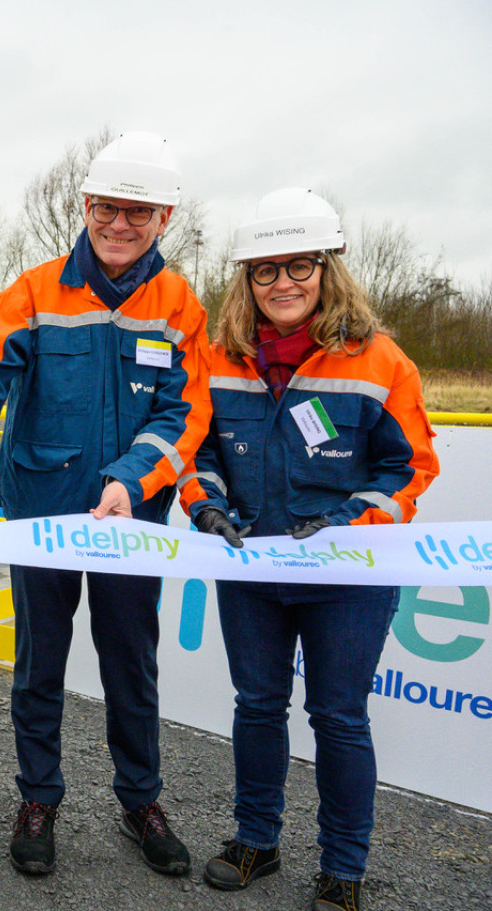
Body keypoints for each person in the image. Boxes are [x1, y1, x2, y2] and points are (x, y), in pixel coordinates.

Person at [0, 131, 209, 878]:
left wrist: (129, 478)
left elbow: (185, 416)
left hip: (130, 521)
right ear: (86, 206)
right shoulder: (34, 290)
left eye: (138, 214)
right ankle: (38, 799)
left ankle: (140, 800)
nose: (120, 225)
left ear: (164, 220)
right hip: (40, 514)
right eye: (109, 209)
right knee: (38, 666)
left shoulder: (181, 306)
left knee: (130, 668)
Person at [179, 188, 439, 911]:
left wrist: (351, 522)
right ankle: (255, 840)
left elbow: (409, 466)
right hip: (252, 568)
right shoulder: (218, 356)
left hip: (348, 575)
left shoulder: (379, 359)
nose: (283, 283)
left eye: (299, 266)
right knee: (258, 706)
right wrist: (208, 508)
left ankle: (343, 868)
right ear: (246, 280)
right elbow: (194, 451)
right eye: (266, 271)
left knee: (339, 715)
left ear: (327, 269)